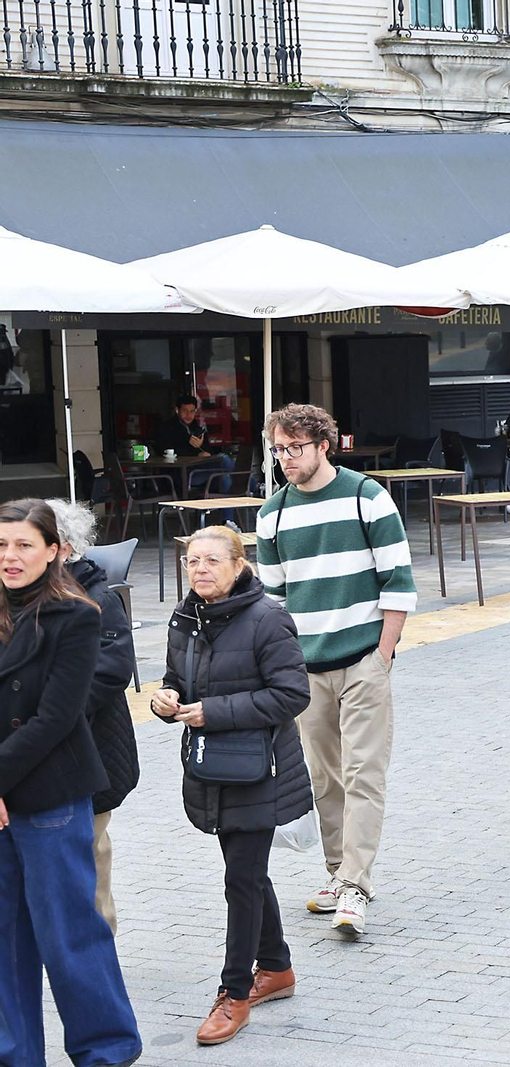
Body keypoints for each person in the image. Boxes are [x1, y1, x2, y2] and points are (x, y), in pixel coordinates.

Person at [257, 403, 416, 938]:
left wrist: (383, 654)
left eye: (295, 448)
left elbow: (398, 582)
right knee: (324, 778)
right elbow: (273, 604)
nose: (285, 458)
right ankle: (337, 873)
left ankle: (355, 886)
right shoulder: (272, 514)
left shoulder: (366, 496)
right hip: (306, 669)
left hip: (364, 658)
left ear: (324, 445)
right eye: (278, 449)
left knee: (363, 773)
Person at [152, 525, 313, 1046]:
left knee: (240, 880)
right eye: (192, 561)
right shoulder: (187, 616)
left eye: (212, 560)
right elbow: (178, 679)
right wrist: (166, 700)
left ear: (239, 565)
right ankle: (277, 967)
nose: (199, 569)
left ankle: (235, 994)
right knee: (247, 874)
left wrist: (213, 712)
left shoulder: (267, 618)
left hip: (258, 769)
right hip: (212, 767)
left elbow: (292, 694)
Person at [0, 499, 142, 1067]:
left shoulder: (78, 613)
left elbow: (57, 717)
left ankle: (106, 1050)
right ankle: (16, 1055)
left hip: (51, 794)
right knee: (6, 939)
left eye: (24, 545)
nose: (10, 556)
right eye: (1, 545)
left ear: (55, 551)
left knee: (70, 935)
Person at [48, 500, 138, 935]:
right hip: (35, 758)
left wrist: (48, 713)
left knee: (89, 852)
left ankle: (97, 945)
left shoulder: (98, 598)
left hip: (90, 750)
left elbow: (112, 671)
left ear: (65, 548)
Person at [157, 393, 236, 495]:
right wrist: (195, 452)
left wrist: (201, 446)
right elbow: (165, 451)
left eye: (192, 411)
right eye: (185, 411)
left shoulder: (198, 428)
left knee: (224, 476)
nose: (188, 415)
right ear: (177, 410)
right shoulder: (166, 428)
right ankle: (253, 488)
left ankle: (234, 500)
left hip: (200, 470)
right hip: (180, 475)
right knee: (223, 459)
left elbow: (209, 452)